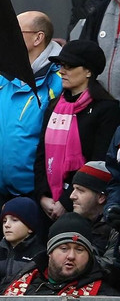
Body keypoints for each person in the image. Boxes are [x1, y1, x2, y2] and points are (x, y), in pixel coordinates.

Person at [0, 11, 63, 211]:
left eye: (17, 31)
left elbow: (60, 145)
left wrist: (45, 191)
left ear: (38, 37)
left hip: (41, 198)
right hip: (2, 195)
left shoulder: (59, 80)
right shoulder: (1, 80)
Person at [35, 40, 120, 220]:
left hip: (84, 208)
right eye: (61, 65)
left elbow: (99, 161)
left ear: (89, 71)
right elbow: (41, 154)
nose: (61, 71)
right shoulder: (54, 106)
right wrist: (43, 196)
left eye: (70, 66)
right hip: (48, 203)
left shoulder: (106, 109)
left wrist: (66, 201)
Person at [0, 213, 118, 296]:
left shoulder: (105, 296)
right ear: (49, 252)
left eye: (79, 249)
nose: (71, 256)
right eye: (64, 248)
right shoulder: (17, 282)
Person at [0, 196, 44, 294]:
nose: (7, 225)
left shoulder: (40, 255)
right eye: (4, 221)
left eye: (14, 220)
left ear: (30, 227)